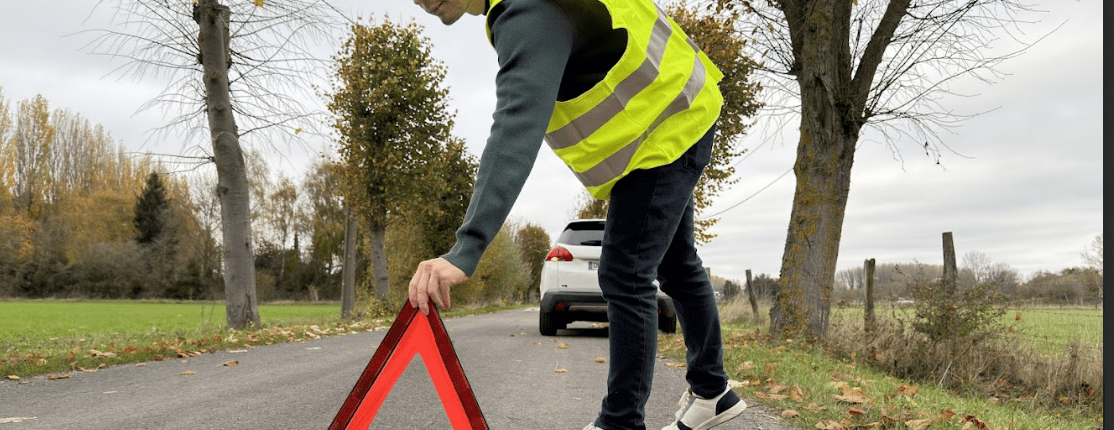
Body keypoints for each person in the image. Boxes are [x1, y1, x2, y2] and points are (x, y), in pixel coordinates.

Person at [406, 0, 746, 429]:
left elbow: (516, 125)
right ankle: (713, 391)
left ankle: (621, 422)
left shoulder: (529, 12)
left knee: (625, 274)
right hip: (676, 111)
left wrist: (466, 248)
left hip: (661, 129)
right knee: (676, 265)